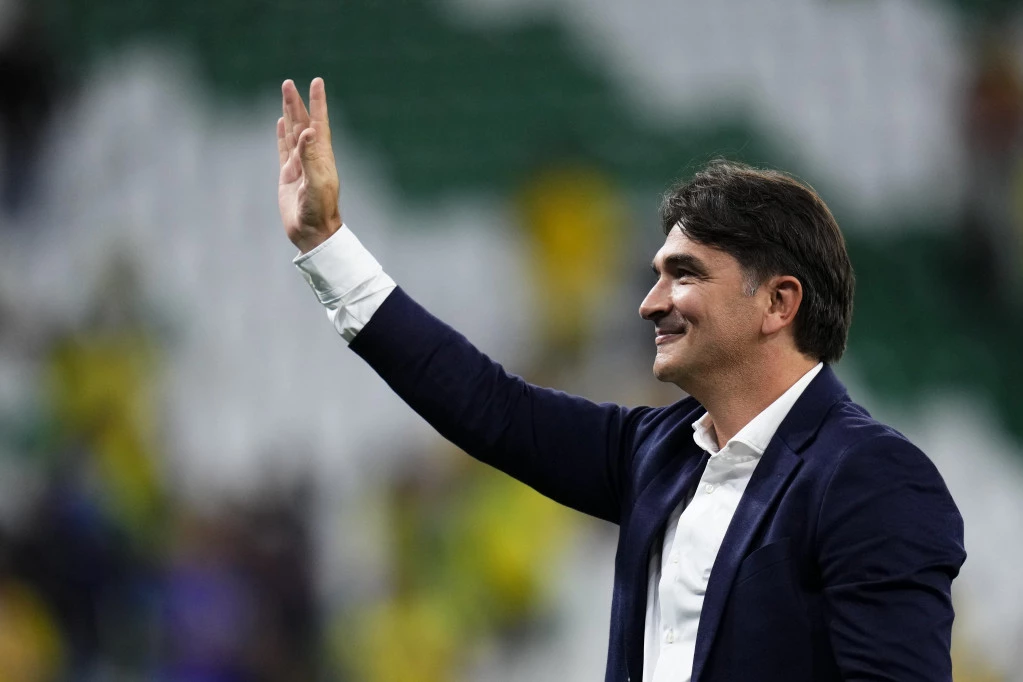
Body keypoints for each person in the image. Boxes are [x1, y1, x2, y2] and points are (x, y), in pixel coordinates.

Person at [276, 78, 966, 682]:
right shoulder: (652, 454)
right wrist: (326, 244)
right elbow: (488, 405)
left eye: (685, 276)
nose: (651, 303)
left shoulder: (872, 478)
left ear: (777, 303)